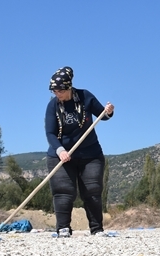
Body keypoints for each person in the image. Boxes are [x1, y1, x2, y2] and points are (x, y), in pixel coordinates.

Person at [45, 66, 114, 237]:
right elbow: (50, 133)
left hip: (90, 154)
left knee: (92, 191)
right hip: (60, 155)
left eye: (60, 90)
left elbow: (101, 115)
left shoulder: (85, 97)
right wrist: (60, 150)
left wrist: (108, 112)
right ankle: (63, 228)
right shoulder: (52, 106)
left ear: (69, 87)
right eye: (54, 90)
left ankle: (96, 229)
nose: (57, 94)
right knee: (63, 191)